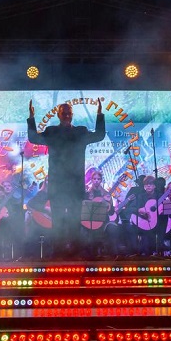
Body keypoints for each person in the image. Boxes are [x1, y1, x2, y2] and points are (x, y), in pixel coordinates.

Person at [27, 99, 106, 256]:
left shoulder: (81, 132)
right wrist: (31, 118)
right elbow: (34, 138)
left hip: (75, 184)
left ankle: (75, 252)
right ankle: (58, 252)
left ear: (72, 114)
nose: (67, 115)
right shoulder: (51, 131)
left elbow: (99, 135)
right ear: (58, 115)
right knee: (57, 220)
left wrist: (99, 114)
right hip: (57, 185)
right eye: (64, 113)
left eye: (69, 112)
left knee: (75, 220)